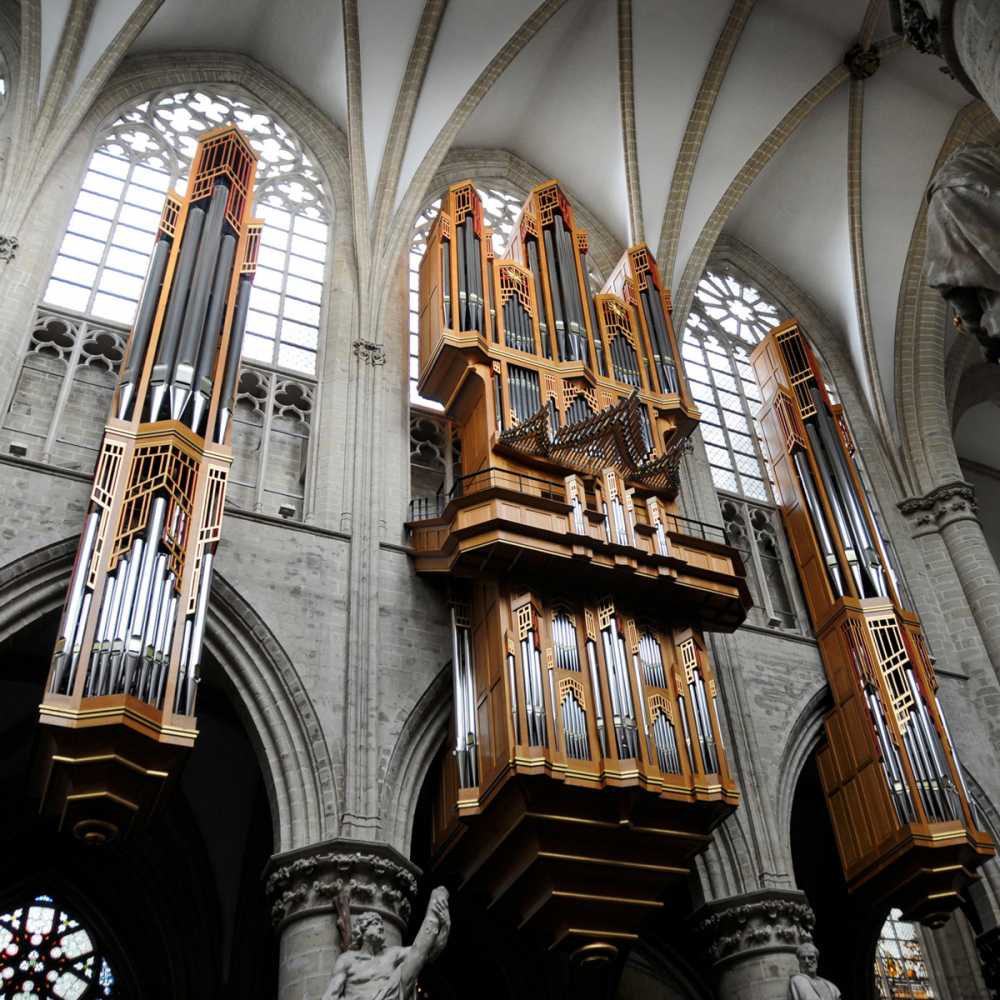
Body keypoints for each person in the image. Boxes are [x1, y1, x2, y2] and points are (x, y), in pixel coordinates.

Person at [322, 886, 450, 1000]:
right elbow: (331, 995)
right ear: (362, 931)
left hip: (390, 996)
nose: (380, 927)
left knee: (412, 958)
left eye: (381, 925)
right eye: (375, 923)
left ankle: (434, 911)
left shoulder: (392, 954)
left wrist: (445, 928)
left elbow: (424, 953)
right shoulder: (347, 959)